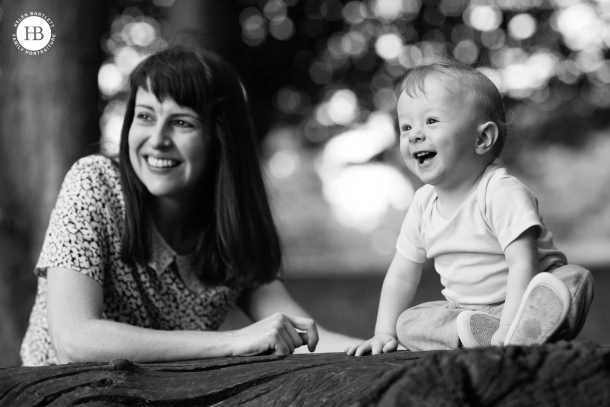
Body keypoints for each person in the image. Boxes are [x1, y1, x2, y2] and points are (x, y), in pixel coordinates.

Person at [21, 45, 355, 366]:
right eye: (145, 116)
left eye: (182, 122)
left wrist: (385, 345)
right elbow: (73, 340)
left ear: (219, 139)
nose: (158, 140)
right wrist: (232, 341)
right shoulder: (94, 183)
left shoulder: (228, 231)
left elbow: (305, 336)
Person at [346, 58, 594, 355]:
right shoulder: (423, 204)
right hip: (469, 310)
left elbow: (522, 264)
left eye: (432, 121)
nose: (414, 134)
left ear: (482, 138)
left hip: (531, 293)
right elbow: (401, 274)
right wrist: (383, 332)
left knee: (574, 279)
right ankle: (478, 334)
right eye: (406, 126)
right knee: (409, 322)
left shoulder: (500, 191)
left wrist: (508, 323)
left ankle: (524, 329)